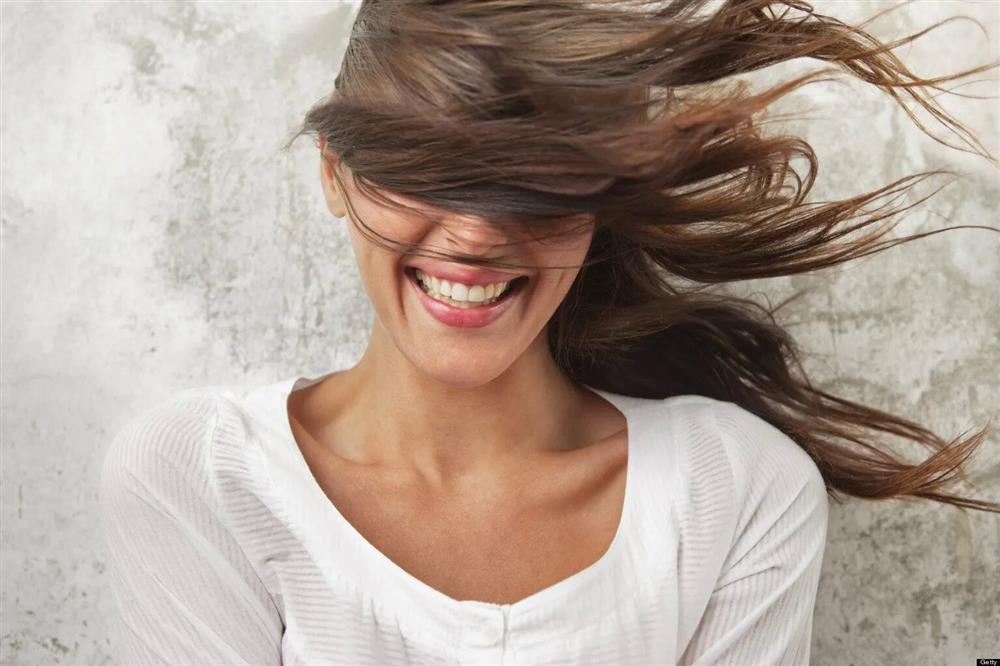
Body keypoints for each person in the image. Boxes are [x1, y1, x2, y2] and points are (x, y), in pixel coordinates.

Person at [98, 1, 999, 664]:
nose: (479, 234)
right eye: (432, 171)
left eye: (537, 183)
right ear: (335, 174)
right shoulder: (203, 477)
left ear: (598, 207)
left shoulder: (738, 490)